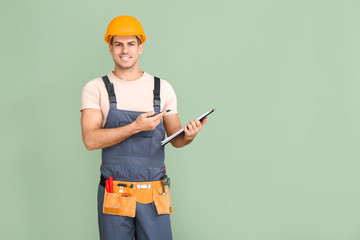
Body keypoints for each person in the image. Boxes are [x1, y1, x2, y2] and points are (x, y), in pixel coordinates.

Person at [80, 15, 208, 240]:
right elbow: (90, 140)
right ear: (110, 49)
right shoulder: (96, 88)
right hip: (114, 193)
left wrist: (189, 136)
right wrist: (134, 127)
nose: (124, 50)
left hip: (154, 194)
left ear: (140, 48)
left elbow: (176, 139)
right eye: (118, 44)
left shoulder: (162, 88)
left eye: (131, 44)